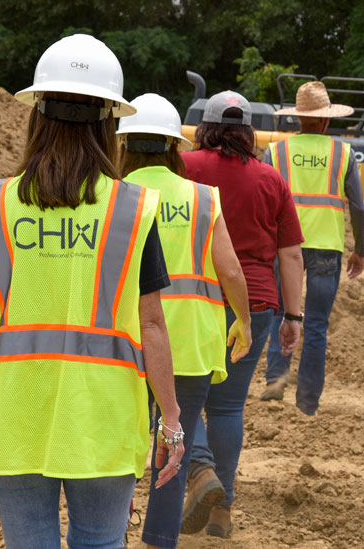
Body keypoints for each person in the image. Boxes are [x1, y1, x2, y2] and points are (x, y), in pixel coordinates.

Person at [0, 34, 184, 549]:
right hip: (103, 419)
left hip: (16, 415)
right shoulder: (130, 210)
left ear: (37, 115)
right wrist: (173, 421)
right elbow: (153, 325)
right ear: (109, 124)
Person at [115, 93, 253, 549]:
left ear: (125, 145)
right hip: (190, 342)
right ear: (176, 147)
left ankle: (109, 532)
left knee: (122, 447)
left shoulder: (116, 197)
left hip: (126, 342)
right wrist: (245, 322)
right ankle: (158, 540)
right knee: (174, 450)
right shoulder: (201, 197)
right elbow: (231, 269)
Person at [179, 90, 305, 538]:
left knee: (178, 398)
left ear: (204, 128)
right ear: (249, 131)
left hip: (193, 299)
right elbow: (291, 256)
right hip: (255, 303)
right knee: (228, 407)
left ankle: (198, 472)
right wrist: (294, 316)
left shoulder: (184, 168)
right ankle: (221, 512)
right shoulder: (272, 179)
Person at [261, 81, 364, 414]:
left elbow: (264, 204)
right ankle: (307, 401)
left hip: (282, 246)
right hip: (326, 247)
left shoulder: (275, 152)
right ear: (325, 120)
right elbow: (359, 208)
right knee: (317, 324)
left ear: (299, 119)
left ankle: (275, 383)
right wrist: (360, 249)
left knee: (282, 312)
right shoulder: (343, 153)